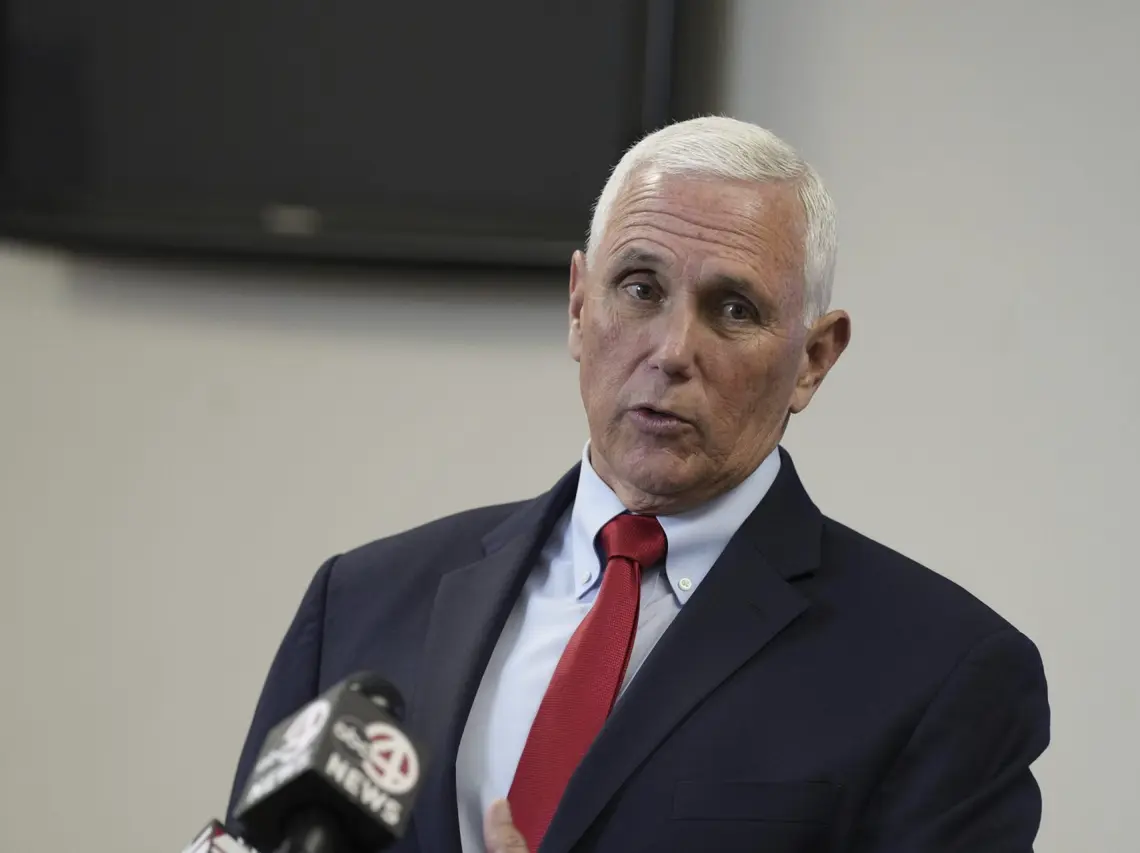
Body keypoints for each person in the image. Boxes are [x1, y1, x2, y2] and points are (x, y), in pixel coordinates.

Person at [226, 116, 1050, 853]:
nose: (672, 350)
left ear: (813, 358)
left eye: (734, 308)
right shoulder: (362, 601)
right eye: (640, 289)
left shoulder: (939, 675)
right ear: (578, 306)